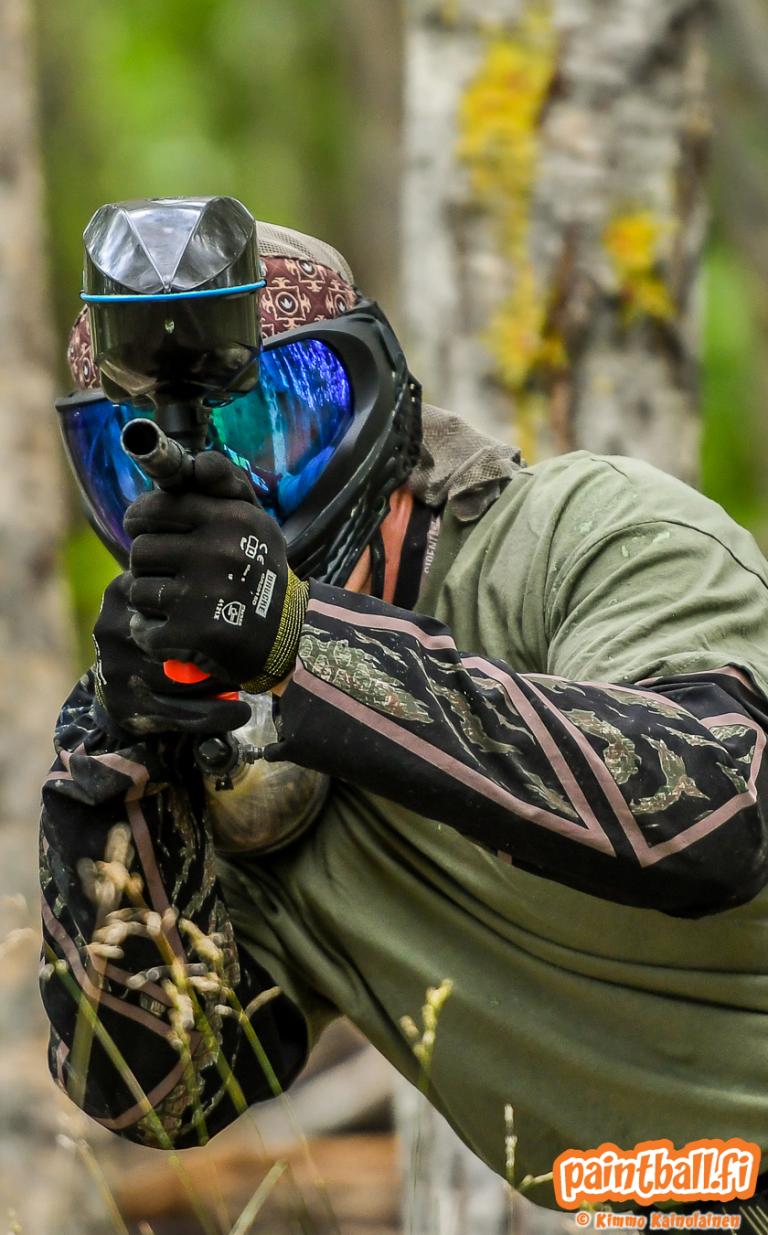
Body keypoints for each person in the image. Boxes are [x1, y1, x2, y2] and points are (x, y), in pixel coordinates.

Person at [38, 202, 768, 1213]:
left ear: (373, 411)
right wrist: (115, 766)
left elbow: (708, 816)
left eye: (265, 427)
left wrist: (297, 642)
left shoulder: (586, 534)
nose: (225, 490)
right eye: (143, 454)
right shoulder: (221, 752)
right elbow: (159, 1088)